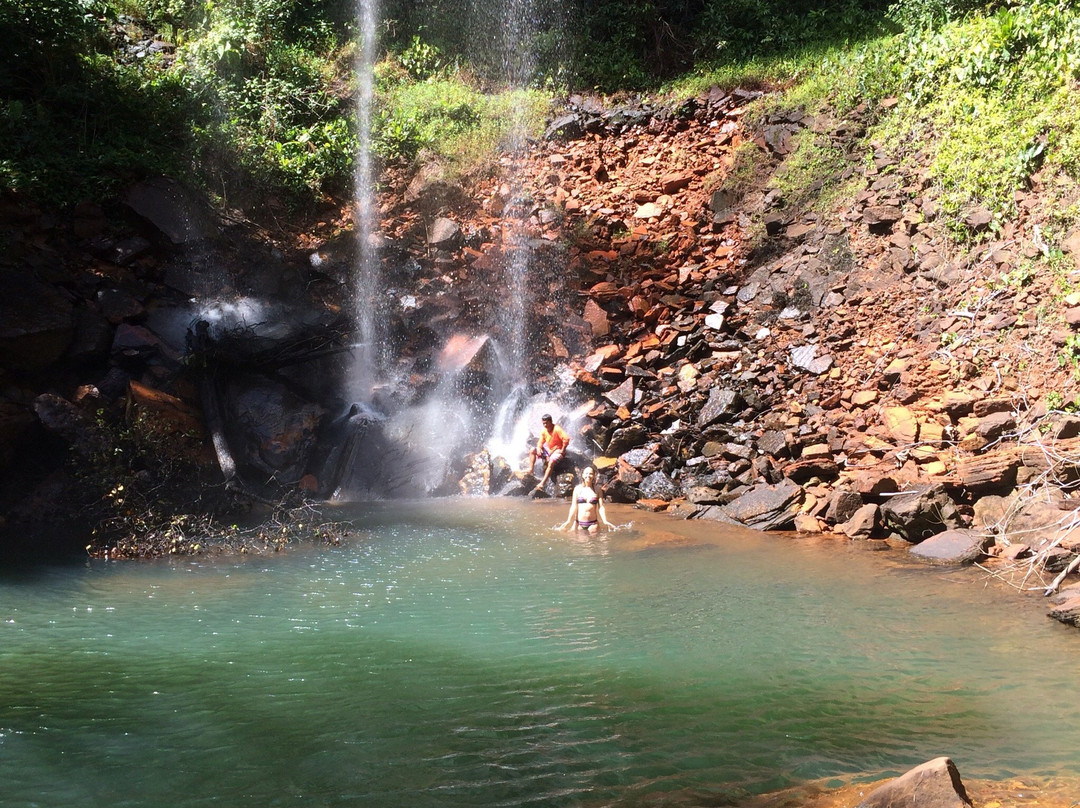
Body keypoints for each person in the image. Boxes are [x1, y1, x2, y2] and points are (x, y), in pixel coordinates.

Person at [558, 466, 615, 533]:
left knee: (594, 542)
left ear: (594, 475)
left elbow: (601, 507)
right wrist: (568, 521)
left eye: (591, 473)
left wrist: (605, 520)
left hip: (593, 524)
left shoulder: (598, 490)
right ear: (582, 475)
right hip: (578, 523)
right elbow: (574, 506)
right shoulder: (577, 489)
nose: (588, 475)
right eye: (586, 473)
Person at [526, 413, 569, 494]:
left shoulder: (557, 429)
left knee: (551, 462)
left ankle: (542, 483)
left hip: (557, 450)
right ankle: (531, 469)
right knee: (532, 450)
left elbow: (566, 439)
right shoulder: (544, 431)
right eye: (543, 423)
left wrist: (563, 449)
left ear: (551, 421)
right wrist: (539, 448)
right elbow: (540, 442)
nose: (545, 425)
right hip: (549, 450)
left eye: (546, 423)